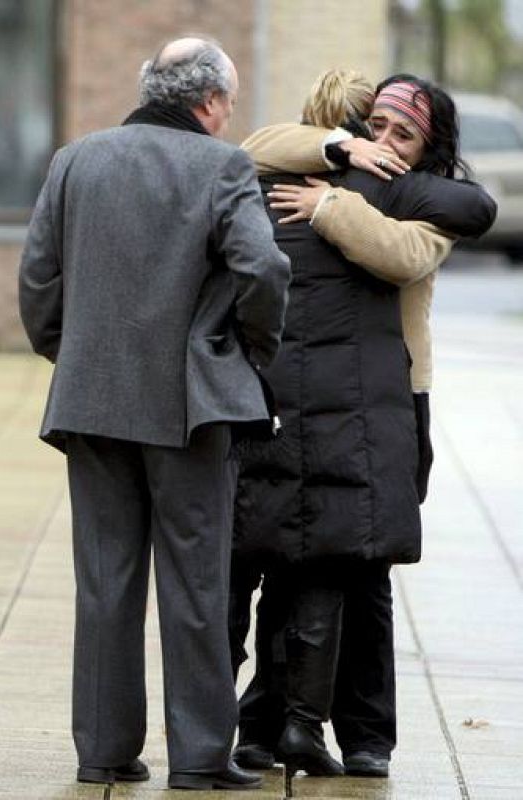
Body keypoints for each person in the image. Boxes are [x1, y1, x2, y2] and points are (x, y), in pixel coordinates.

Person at [20, 36, 290, 791]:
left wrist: (65, 355)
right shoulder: (222, 165)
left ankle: (103, 752)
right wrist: (249, 352)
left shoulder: (76, 158)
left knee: (104, 582)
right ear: (207, 103)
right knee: (194, 582)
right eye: (228, 106)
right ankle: (200, 757)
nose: (228, 119)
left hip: (91, 399)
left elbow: (37, 277)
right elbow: (264, 267)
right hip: (188, 408)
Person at [228, 71, 496, 784]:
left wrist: (329, 207)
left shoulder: (426, 200)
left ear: (429, 146)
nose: (384, 143)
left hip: (397, 393)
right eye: (374, 127)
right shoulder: (331, 160)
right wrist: (340, 154)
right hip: (324, 393)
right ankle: (275, 721)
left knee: (365, 569)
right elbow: (255, 145)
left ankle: (366, 734)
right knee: (301, 560)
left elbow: (401, 255)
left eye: (400, 135)